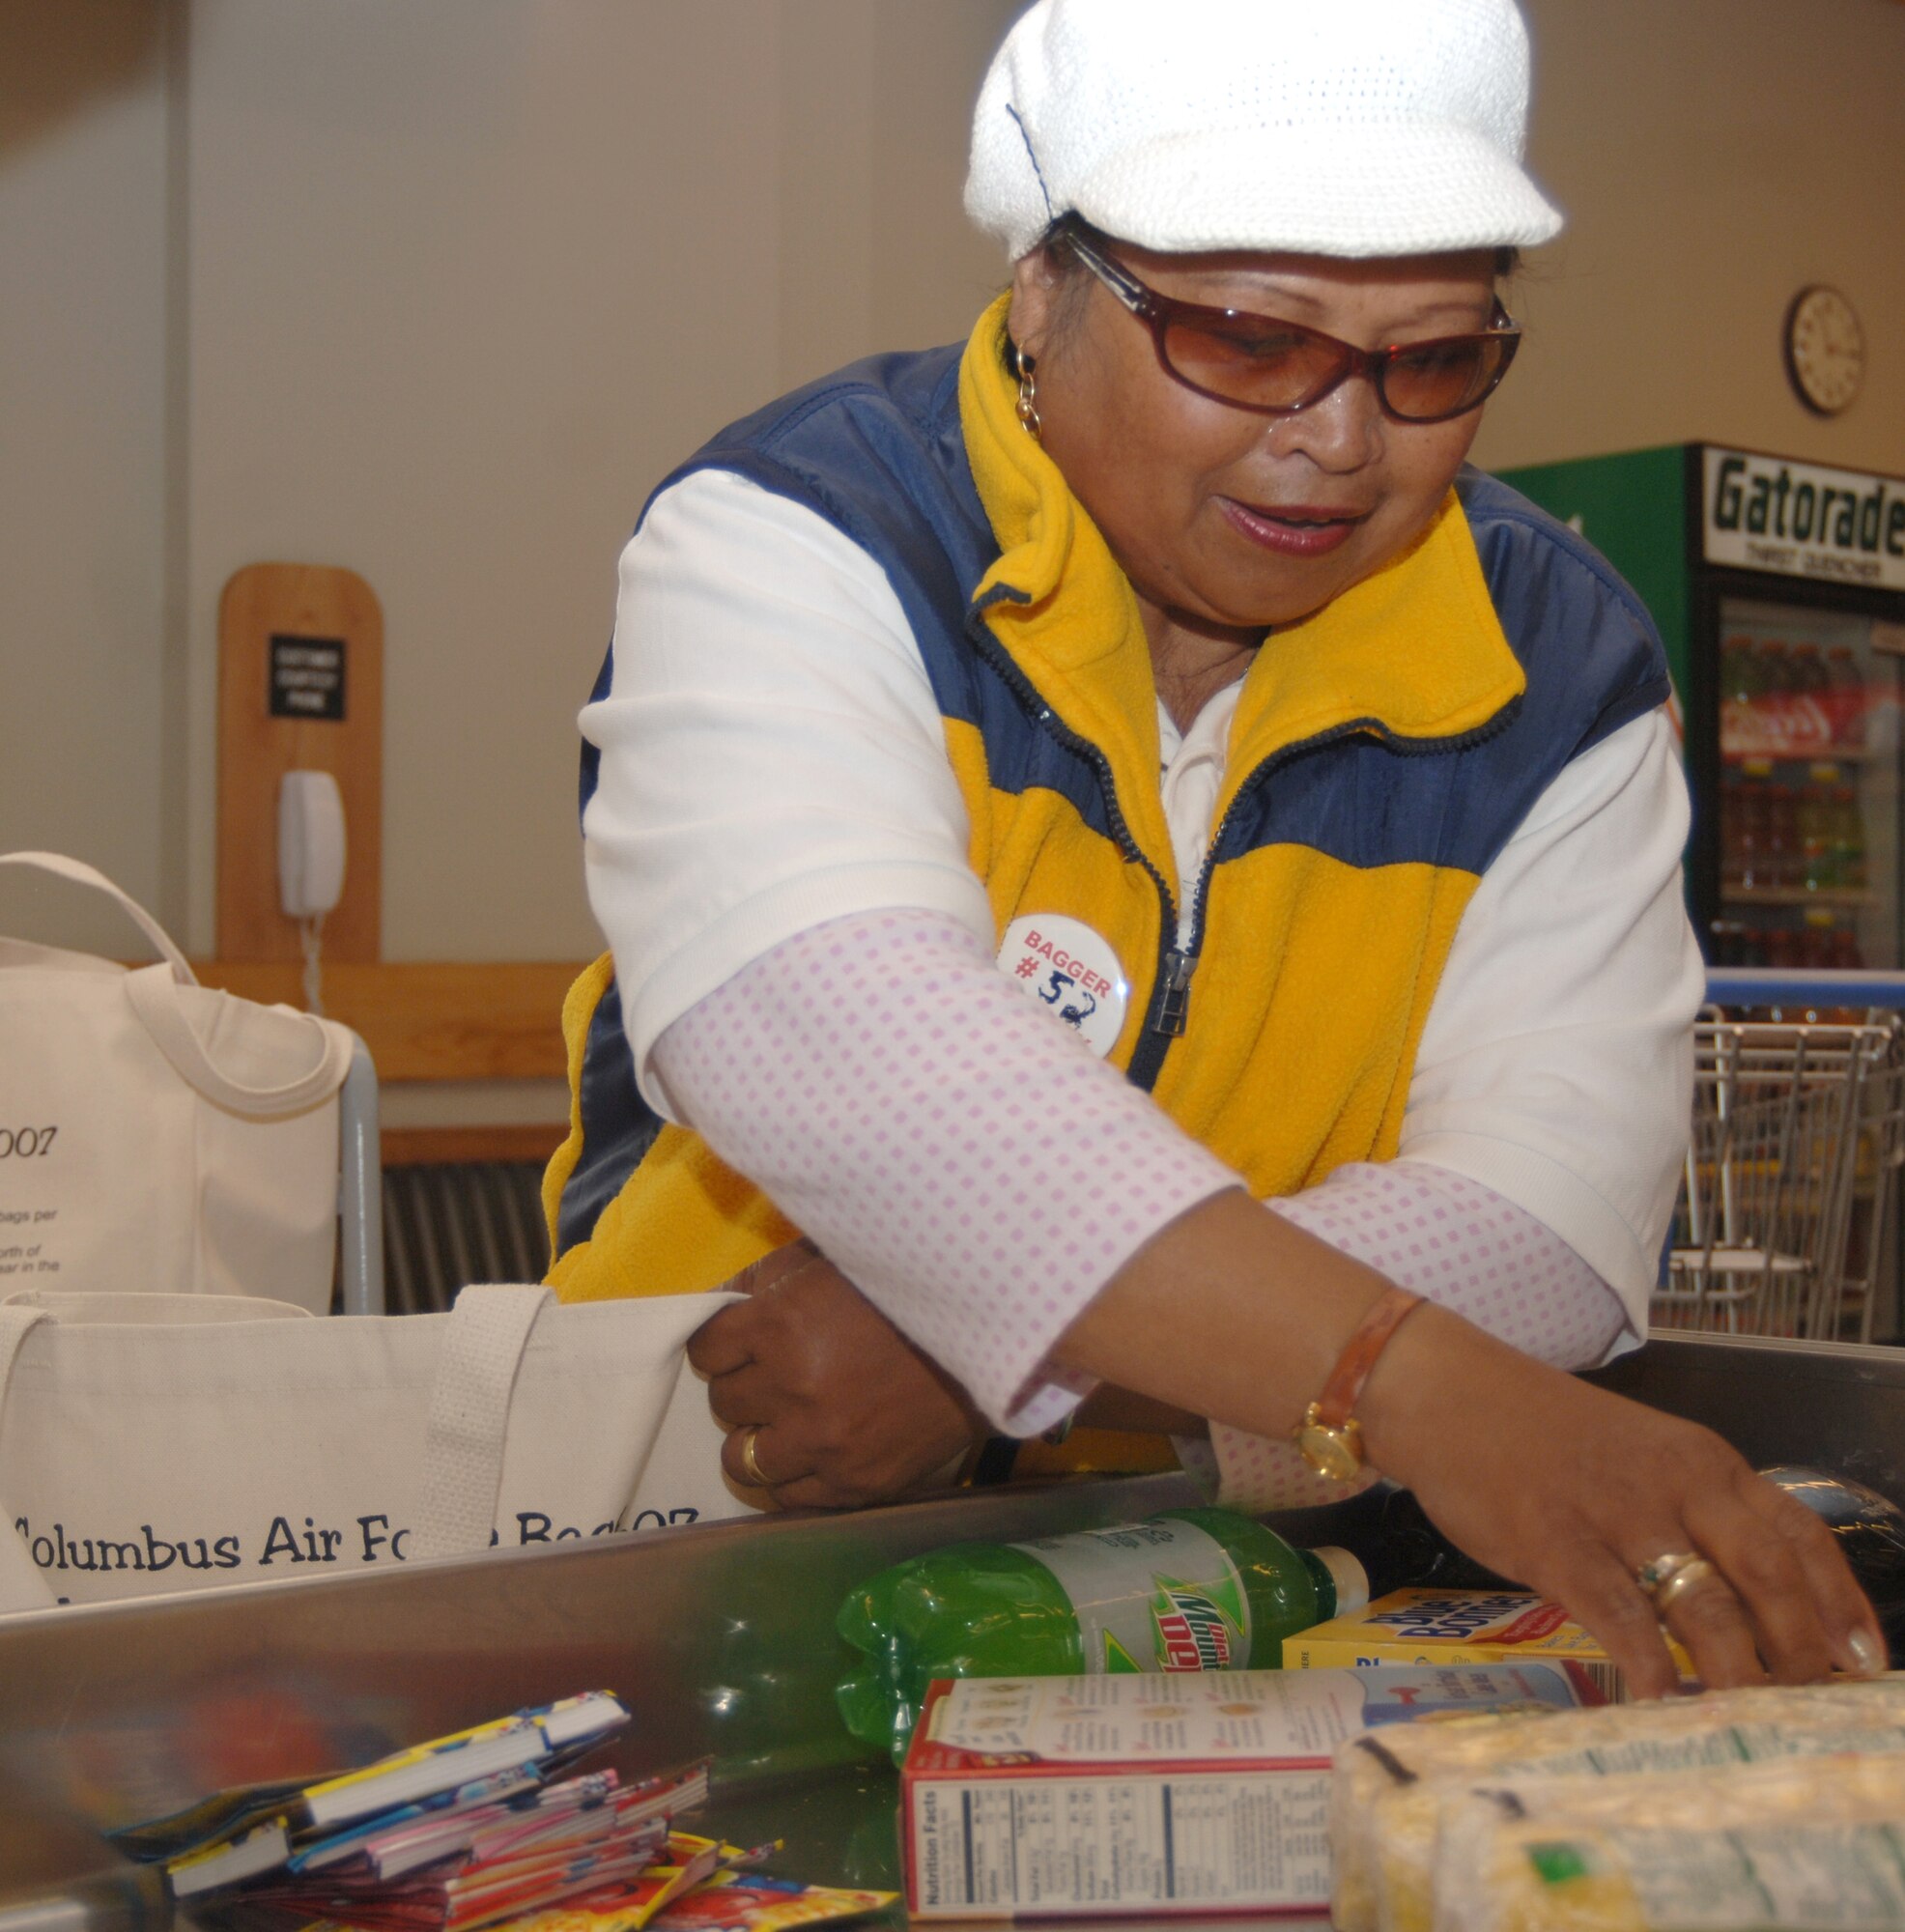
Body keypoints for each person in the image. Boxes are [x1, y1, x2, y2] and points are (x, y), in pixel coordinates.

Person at [543, 0, 1886, 1696]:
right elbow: (847, 1041)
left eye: (1435, 358)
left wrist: (987, 1356)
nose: (1339, 436)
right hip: (678, 1531)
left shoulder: (1565, 673)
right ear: (1044, 288)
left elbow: (1550, 1225)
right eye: (1251, 337)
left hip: (1208, 1573)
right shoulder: (802, 535)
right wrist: (1402, 1378)